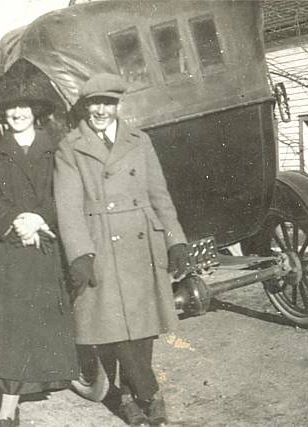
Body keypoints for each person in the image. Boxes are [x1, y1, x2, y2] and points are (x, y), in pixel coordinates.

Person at [54, 73, 188, 427]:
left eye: (108, 103)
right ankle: (148, 392)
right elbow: (67, 206)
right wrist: (80, 253)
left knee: (142, 325)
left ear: (117, 105)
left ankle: (129, 394)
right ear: (85, 106)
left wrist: (176, 239)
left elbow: (159, 193)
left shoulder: (139, 140)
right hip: (101, 240)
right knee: (116, 326)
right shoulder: (71, 147)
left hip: (143, 237)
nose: (101, 110)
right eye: (95, 103)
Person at [0, 95, 79, 427]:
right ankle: (7, 409)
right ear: (4, 115)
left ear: (34, 112)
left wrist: (38, 220)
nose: (17, 114)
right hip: (10, 245)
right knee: (11, 330)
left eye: (23, 108)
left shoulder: (55, 148)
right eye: (10, 109)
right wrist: (16, 221)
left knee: (34, 324)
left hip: (43, 241)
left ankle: (20, 394)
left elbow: (66, 192)